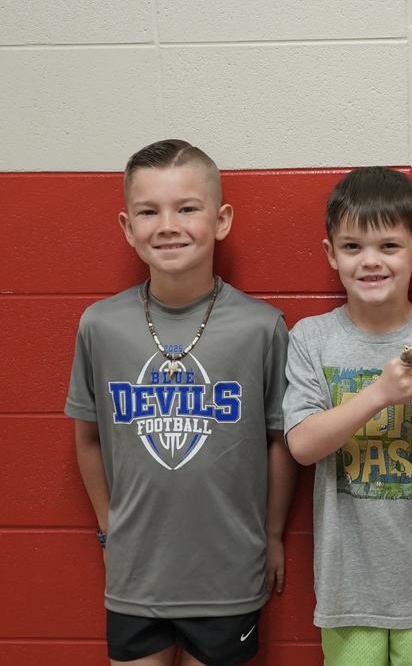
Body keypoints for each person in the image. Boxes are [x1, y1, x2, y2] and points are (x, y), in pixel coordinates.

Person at [66, 139, 297, 666]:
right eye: (149, 211)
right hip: (135, 576)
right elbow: (87, 436)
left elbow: (281, 441)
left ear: (221, 220)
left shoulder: (262, 327)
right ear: (128, 227)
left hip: (229, 573)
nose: (168, 225)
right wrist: (111, 528)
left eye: (187, 208)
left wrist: (274, 533)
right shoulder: (100, 326)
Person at [282, 166, 412, 666]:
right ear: (331, 254)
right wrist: (377, 393)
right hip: (348, 585)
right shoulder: (311, 338)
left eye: (388, 247)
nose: (370, 261)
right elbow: (302, 445)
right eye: (352, 247)